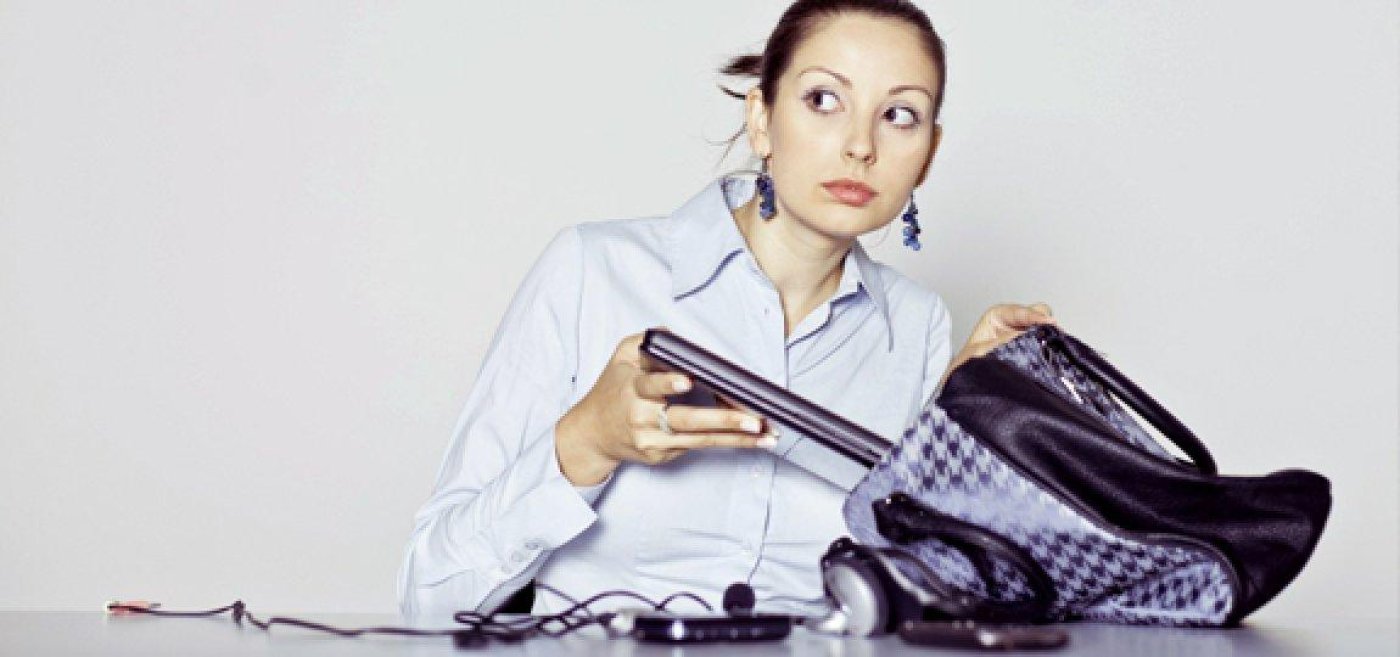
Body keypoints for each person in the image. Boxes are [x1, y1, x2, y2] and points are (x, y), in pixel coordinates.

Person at [398, 0, 1055, 621]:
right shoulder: (592, 271)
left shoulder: (917, 325)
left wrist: (965, 433)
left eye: (899, 115)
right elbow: (427, 594)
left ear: (929, 154)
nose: (861, 145)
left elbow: (923, 594)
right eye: (824, 100)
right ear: (761, 119)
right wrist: (585, 442)